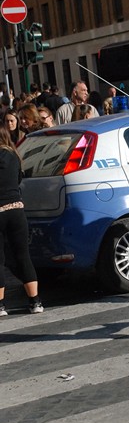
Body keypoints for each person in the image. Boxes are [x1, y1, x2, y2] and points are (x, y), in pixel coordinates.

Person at [0, 126, 44, 315]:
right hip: (17, 209)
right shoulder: (14, 156)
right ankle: (35, 302)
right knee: (23, 256)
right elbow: (18, 180)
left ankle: (1, 306)